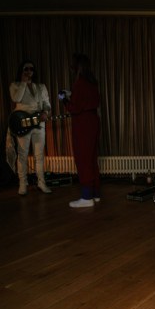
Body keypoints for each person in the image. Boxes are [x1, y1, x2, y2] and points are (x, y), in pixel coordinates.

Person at [61, 53, 101, 208]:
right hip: (93, 121)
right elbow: (89, 100)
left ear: (76, 67)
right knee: (92, 157)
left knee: (83, 158)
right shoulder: (92, 82)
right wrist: (72, 95)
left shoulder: (79, 83)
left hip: (83, 123)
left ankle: (86, 197)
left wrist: (64, 99)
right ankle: (95, 193)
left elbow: (74, 108)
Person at [9, 60, 52, 195]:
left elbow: (47, 104)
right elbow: (16, 99)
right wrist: (23, 83)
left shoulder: (41, 86)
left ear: (34, 71)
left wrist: (46, 112)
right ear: (21, 71)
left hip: (39, 123)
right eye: (25, 69)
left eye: (31, 69)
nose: (28, 71)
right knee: (22, 154)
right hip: (23, 122)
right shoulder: (14, 85)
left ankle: (41, 183)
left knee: (39, 155)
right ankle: (23, 184)